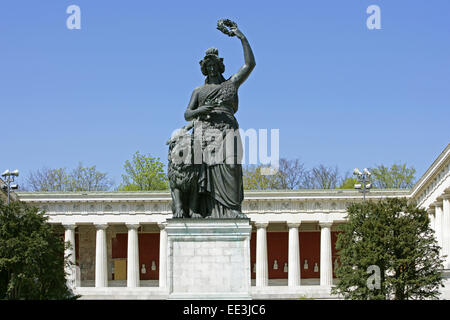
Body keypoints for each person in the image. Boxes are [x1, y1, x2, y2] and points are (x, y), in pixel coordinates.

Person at [184, 24, 255, 218]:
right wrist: (202, 109)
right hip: (205, 132)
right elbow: (187, 114)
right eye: (209, 66)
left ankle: (231, 209)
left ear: (220, 66)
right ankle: (207, 211)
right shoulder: (198, 91)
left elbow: (249, 65)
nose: (212, 68)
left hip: (228, 130)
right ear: (204, 69)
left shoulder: (230, 84)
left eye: (215, 65)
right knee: (205, 172)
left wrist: (241, 37)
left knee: (231, 167)